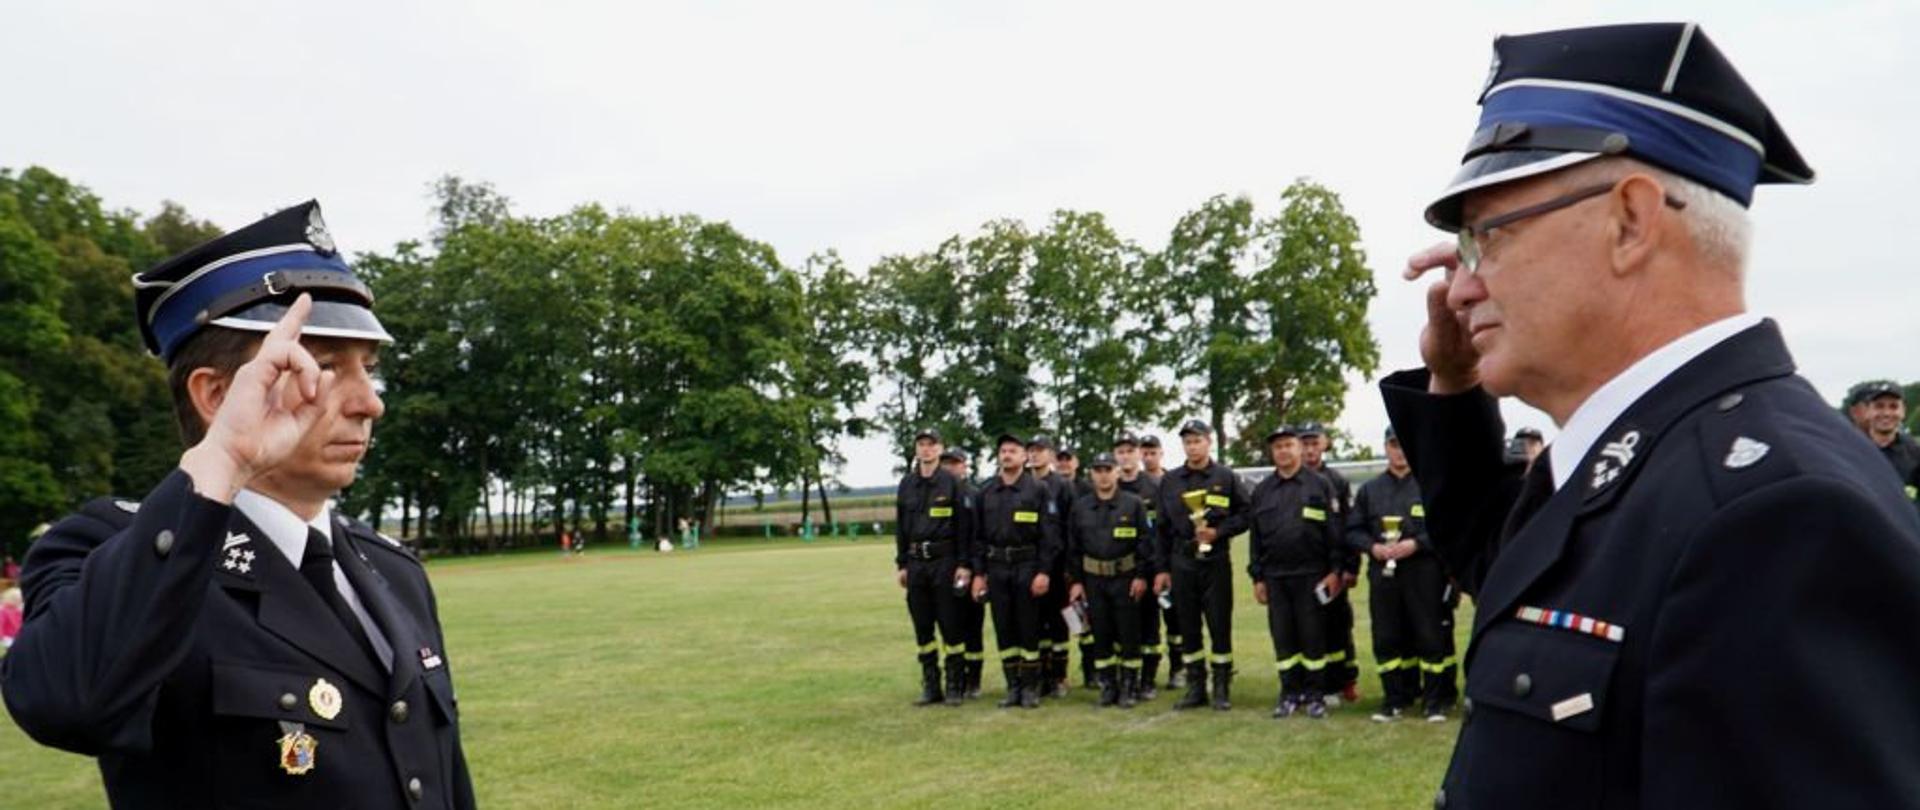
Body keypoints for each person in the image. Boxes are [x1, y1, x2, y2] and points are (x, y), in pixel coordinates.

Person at [1383, 24, 1920, 806]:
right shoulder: (1649, 455)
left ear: (1630, 220)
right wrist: (1452, 384)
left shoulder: (1777, 512)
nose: (1461, 288)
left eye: (1488, 236)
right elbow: (1510, 569)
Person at [1, 201, 475, 808]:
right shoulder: (111, 552)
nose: (369, 403)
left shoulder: (396, 572)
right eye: (325, 367)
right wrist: (222, 460)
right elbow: (65, 704)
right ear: (216, 394)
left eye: (370, 369)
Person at [1348, 427, 1451, 722]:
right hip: (1384, 576)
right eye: (1394, 445)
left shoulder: (1430, 485)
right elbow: (1352, 531)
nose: (1400, 451)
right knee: (1387, 636)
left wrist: (1416, 543)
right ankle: (1393, 700)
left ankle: (1433, 703)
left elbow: (1445, 526)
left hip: (1423, 573)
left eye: (1405, 445)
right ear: (1386, 448)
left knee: (1429, 636)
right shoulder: (1370, 490)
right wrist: (1373, 547)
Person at [1247, 426, 1344, 719]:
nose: (1284, 451)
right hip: (1276, 577)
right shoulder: (1262, 491)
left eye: (1289, 445)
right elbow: (1255, 538)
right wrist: (1257, 577)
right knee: (1283, 637)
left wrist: (1335, 570)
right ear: (1272, 453)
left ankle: (1315, 695)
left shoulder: (1320, 485)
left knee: (1312, 636)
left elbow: (1334, 533)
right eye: (1278, 447)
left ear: (1299, 448)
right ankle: (1289, 693)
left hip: (1312, 575)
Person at [1154, 419, 1250, 710]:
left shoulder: (1226, 477)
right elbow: (1160, 529)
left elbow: (1245, 515)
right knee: (1188, 625)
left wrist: (1218, 532)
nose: (1193, 446)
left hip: (1215, 561)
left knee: (1219, 623)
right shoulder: (1169, 481)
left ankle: (1221, 686)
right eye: (1187, 441)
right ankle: (1196, 686)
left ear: (1209, 442)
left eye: (1197, 440)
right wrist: (1161, 569)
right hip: (1182, 561)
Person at [969, 433, 1063, 709]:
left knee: (1029, 627)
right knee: (1004, 628)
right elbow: (977, 537)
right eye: (1003, 451)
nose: (1007, 455)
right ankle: (1013, 687)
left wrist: (1044, 572)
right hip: (996, 568)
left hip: (1028, 566)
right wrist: (978, 574)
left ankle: (1031, 688)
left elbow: (1050, 536)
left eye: (1013, 451)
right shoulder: (986, 492)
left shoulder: (1038, 490)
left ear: (1024, 457)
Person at [1064, 453, 1160, 708]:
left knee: (1129, 633)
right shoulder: (1081, 507)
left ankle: (1129, 686)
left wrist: (1141, 575)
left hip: (1125, 578)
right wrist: (1075, 581)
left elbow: (1145, 543)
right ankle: (1108, 685)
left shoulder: (1133, 504)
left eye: (1108, 469)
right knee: (1101, 633)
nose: (1103, 475)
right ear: (1091, 474)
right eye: (1098, 470)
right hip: (1094, 580)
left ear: (1117, 472)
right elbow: (1073, 547)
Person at [894, 427, 974, 706]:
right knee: (923, 627)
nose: (926, 449)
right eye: (922, 444)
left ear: (940, 449)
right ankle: (931, 685)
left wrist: (964, 564)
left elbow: (965, 528)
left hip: (945, 562)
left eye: (932, 444)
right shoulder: (906, 484)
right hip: (916, 564)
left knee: (951, 626)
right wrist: (902, 563)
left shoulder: (952, 483)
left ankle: (955, 685)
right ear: (916, 449)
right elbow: (901, 527)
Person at [1299, 422, 1361, 705]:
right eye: (1305, 443)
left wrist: (1350, 567)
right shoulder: (1292, 480)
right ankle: (1311, 683)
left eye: (1315, 443)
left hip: (1332, 568)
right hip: (1301, 569)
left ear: (1324, 444)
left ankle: (1344, 680)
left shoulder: (1336, 481)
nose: (1310, 449)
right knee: (1306, 628)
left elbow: (1350, 526)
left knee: (1337, 625)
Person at [1112, 431, 1171, 700]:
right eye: (1120, 451)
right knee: (1119, 628)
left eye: (1130, 450)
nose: (1125, 456)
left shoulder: (1156, 486)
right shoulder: (1108, 487)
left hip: (1145, 567)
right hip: (1114, 571)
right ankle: (1124, 679)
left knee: (1149, 626)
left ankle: (1147, 680)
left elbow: (1162, 531)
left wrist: (1157, 568)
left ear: (1139, 454)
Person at [1024, 434, 1078, 696]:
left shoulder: (1062, 486)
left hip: (1057, 566)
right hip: (1029, 565)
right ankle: (1041, 675)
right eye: (1031, 450)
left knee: (1059, 623)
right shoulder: (1022, 485)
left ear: (1051, 455)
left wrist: (1070, 566)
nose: (1034, 455)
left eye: (1040, 450)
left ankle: (1059, 676)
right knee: (1035, 622)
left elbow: (1071, 528)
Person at [940, 447, 988, 698]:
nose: (950, 468)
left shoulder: (974, 495)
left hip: (972, 569)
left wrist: (976, 570)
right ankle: (956, 677)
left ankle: (974, 678)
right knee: (952, 625)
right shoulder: (938, 494)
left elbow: (979, 537)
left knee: (973, 626)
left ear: (964, 466)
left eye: (955, 463)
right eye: (946, 463)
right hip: (945, 569)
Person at [1845, 381, 1920, 492]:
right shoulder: (1849, 451)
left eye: (1893, 407)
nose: (1886, 413)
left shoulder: (1915, 454)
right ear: (1868, 411)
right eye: (1879, 406)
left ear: (1903, 411)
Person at [0, 587, 22, 654]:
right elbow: (1, 623)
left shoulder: (18, 611)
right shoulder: (4, 612)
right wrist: (1, 635)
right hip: (7, 637)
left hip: (15, 636)